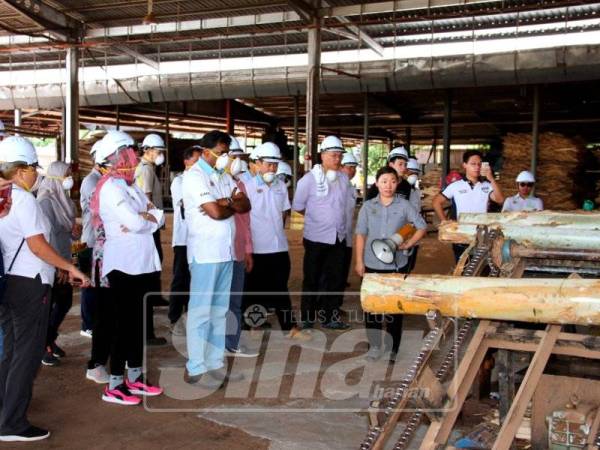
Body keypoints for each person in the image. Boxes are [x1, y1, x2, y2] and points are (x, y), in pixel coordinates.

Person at [0, 136, 89, 442]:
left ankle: (4, 408)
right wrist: (69, 266)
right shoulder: (23, 200)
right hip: (30, 284)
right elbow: (38, 246)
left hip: (8, 282)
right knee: (26, 354)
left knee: (11, 350)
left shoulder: (2, 197)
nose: (37, 172)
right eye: (34, 167)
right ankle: (12, 423)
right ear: (21, 170)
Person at [91, 130, 164, 405]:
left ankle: (134, 377)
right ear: (113, 158)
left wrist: (146, 218)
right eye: (126, 154)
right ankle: (115, 383)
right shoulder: (110, 187)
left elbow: (156, 214)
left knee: (138, 324)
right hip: (123, 265)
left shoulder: (130, 185)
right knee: (123, 324)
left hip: (143, 262)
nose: (132, 158)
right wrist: (145, 219)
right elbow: (137, 222)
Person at [182, 131, 250, 388]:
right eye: (222, 153)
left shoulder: (223, 176)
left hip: (226, 253)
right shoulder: (194, 177)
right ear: (207, 151)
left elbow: (246, 205)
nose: (225, 158)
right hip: (205, 254)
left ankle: (215, 365)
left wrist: (227, 201)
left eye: (227, 154)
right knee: (201, 312)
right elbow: (214, 213)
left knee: (220, 312)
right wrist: (225, 204)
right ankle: (196, 366)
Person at [355, 166, 427, 362]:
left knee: (395, 309)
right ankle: (375, 347)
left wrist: (408, 244)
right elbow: (360, 234)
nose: (388, 185)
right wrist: (359, 261)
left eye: (393, 181)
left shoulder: (404, 206)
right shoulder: (368, 207)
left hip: (397, 265)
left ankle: (393, 348)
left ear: (397, 183)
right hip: (372, 264)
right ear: (377, 183)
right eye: (384, 181)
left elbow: (421, 226)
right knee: (372, 308)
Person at [244, 142, 311, 342]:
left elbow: (284, 213)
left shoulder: (281, 186)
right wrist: (247, 248)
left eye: (275, 164)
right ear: (256, 164)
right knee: (253, 289)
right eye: (267, 164)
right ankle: (252, 325)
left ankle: (289, 327)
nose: (272, 168)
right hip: (256, 247)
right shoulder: (246, 187)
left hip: (279, 247)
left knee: (281, 287)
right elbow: (243, 220)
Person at [292, 135, 352, 331]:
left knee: (335, 279)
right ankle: (308, 317)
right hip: (316, 238)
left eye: (339, 155)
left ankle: (330, 316)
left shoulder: (344, 179)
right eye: (333, 155)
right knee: (312, 278)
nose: (337, 159)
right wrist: (318, 218)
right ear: (322, 155)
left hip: (338, 237)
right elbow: (299, 206)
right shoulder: (308, 180)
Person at [36, 161, 81, 366]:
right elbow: (48, 236)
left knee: (63, 302)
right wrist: (59, 265)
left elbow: (64, 230)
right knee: (54, 304)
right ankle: (43, 344)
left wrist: (74, 233)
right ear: (55, 177)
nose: (70, 179)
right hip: (53, 261)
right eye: (66, 175)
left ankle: (49, 340)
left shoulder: (64, 200)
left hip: (63, 255)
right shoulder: (46, 201)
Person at [432, 150, 505, 261]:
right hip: (461, 235)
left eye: (479, 164)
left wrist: (491, 179)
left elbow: (500, 199)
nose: (477, 167)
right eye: (473, 164)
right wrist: (445, 222)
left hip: (482, 236)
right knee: (462, 268)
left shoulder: (487, 185)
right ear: (464, 165)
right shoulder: (455, 186)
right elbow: (436, 202)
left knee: (481, 268)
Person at [224, 138, 260, 357]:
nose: (235, 161)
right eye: (231, 156)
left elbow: (245, 221)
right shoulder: (209, 182)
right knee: (216, 302)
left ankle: (231, 343)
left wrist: (248, 249)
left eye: (238, 157)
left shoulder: (241, 185)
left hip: (237, 250)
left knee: (234, 301)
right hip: (216, 253)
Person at [135, 133, 167, 346]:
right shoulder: (145, 170)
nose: (160, 154)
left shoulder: (148, 169)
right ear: (147, 150)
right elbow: (146, 199)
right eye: (158, 150)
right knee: (149, 271)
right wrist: (153, 220)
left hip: (149, 227)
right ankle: (146, 333)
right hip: (148, 227)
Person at [168, 146, 201, 336]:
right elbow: (186, 207)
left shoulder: (202, 180)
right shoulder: (179, 182)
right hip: (183, 239)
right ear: (186, 162)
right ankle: (174, 317)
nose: (199, 165)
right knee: (180, 279)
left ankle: (190, 317)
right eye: (196, 161)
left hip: (198, 238)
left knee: (195, 280)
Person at [79, 139, 105, 339]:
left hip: (100, 240)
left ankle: (95, 319)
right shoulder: (91, 182)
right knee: (89, 283)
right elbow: (100, 210)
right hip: (91, 240)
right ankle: (87, 324)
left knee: (98, 284)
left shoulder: (101, 181)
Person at [340, 152, 358, 288]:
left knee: (345, 262)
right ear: (341, 167)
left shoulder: (351, 188)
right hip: (335, 235)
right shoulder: (335, 186)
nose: (353, 170)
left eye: (354, 167)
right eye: (349, 167)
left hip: (347, 233)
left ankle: (342, 282)